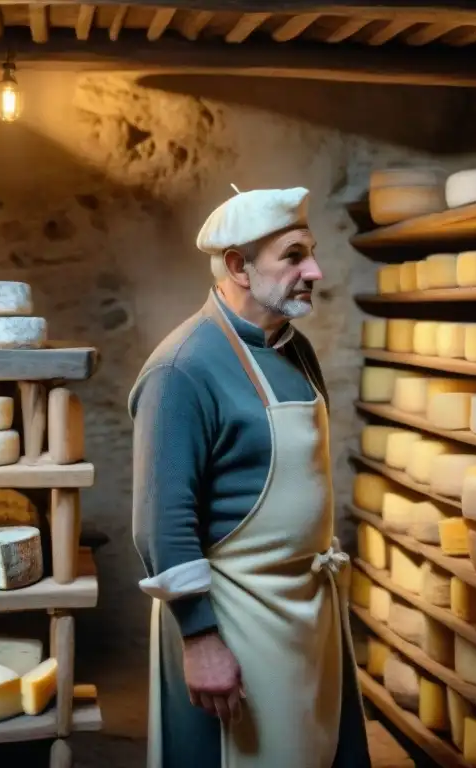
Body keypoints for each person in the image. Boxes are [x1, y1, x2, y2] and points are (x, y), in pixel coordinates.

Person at [130, 186, 371, 768]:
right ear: (237, 265)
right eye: (293, 256)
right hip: (237, 618)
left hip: (305, 611)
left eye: (310, 252)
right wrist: (200, 640)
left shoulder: (295, 350)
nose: (314, 270)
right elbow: (161, 524)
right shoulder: (181, 369)